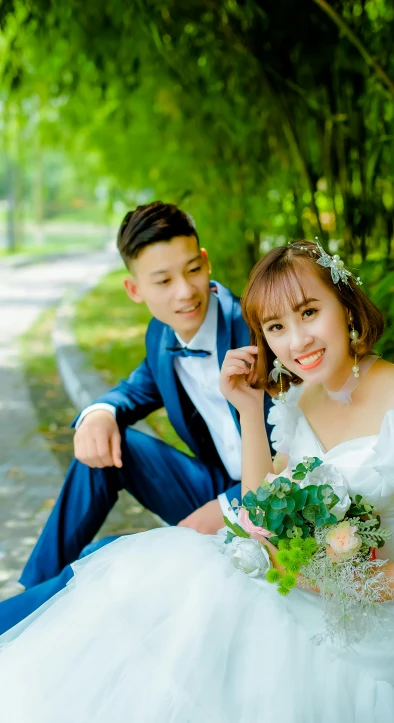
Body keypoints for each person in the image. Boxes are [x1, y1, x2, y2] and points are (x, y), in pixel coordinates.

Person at [0, 239, 394, 723]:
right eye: (275, 328)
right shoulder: (304, 396)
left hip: (392, 604)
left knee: (214, 619)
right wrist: (251, 410)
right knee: (169, 583)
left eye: (309, 313)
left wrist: (326, 583)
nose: (296, 342)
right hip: (316, 577)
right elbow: (262, 508)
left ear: (345, 304)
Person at [0, 200, 273, 634]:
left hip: (272, 494)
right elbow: (136, 388)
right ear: (135, 290)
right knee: (111, 444)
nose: (184, 291)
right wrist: (100, 412)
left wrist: (229, 506)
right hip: (211, 488)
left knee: (111, 562)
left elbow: (308, 447)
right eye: (163, 280)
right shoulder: (161, 335)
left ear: (205, 262)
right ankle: (31, 594)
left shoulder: (259, 328)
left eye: (191, 270)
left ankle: (21, 616)